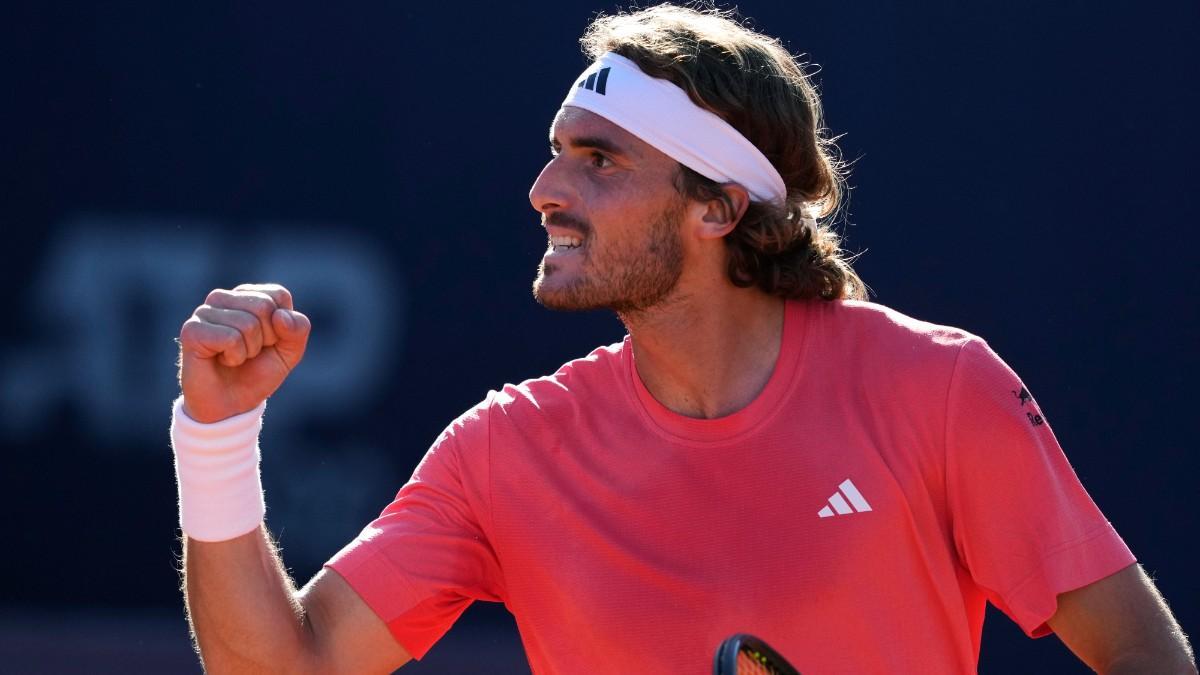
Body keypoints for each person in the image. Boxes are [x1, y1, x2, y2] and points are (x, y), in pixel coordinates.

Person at [172, 4, 1196, 673]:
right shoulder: (502, 452)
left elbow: (1143, 656)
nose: (544, 190)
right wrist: (215, 436)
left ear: (717, 207)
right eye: (555, 153)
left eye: (599, 161)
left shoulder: (940, 389)